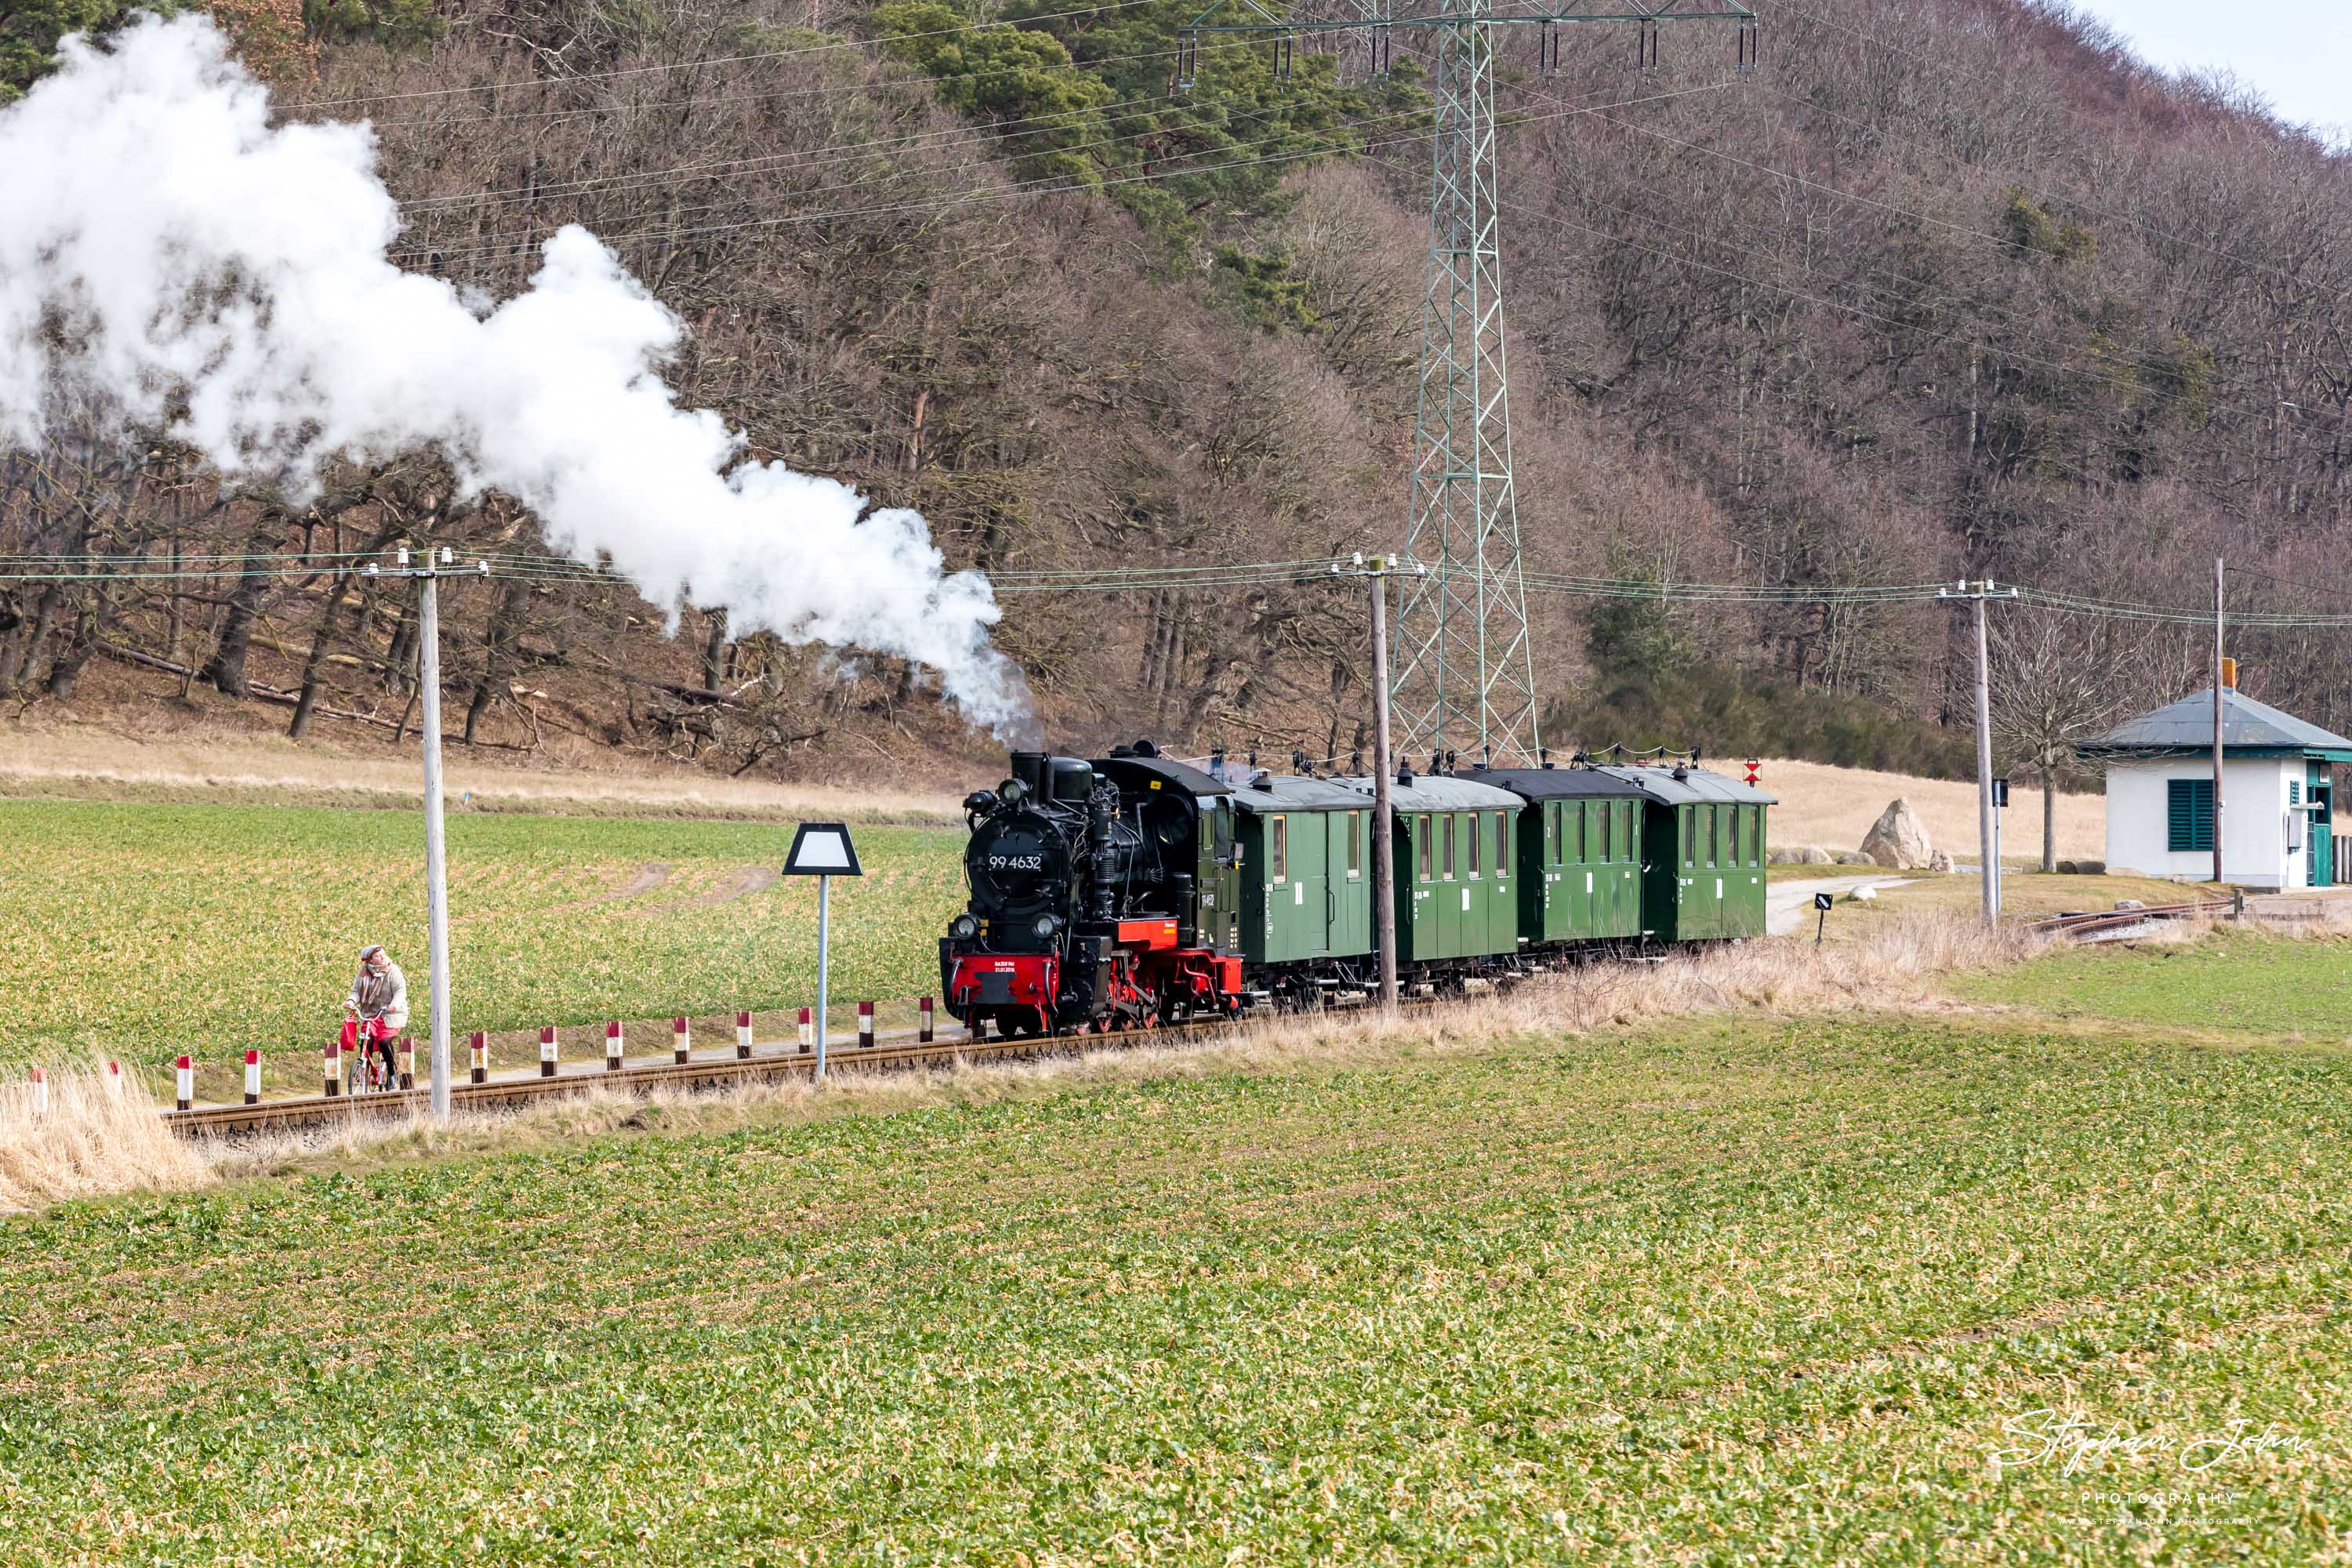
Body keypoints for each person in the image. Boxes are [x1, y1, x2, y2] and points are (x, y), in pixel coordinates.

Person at [342, 943, 408, 1090]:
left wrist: (394, 1005)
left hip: (390, 1014)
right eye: (378, 956)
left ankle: (391, 1073)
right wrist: (351, 1001)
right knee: (367, 1040)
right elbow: (356, 992)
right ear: (370, 960)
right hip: (371, 1015)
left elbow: (400, 990)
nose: (383, 957)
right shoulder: (363, 973)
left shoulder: (392, 970)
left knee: (384, 1041)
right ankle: (363, 1067)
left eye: (383, 954)